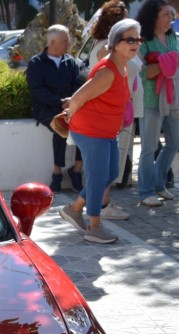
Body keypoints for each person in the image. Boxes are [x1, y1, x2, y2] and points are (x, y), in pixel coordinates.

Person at [57, 18, 143, 244]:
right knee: (97, 177)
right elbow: (77, 98)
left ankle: (74, 208)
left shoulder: (121, 64)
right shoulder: (108, 70)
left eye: (138, 39)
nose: (136, 44)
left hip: (105, 131)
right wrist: (69, 115)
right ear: (115, 43)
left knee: (111, 172)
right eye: (130, 39)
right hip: (91, 130)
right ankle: (94, 226)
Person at [135, 1, 179, 208]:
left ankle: (158, 182)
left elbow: (177, 64)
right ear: (154, 17)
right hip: (151, 99)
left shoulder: (175, 38)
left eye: (172, 14)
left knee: (176, 141)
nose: (171, 18)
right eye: (166, 14)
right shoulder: (144, 42)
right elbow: (144, 72)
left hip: (174, 97)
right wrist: (169, 62)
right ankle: (146, 191)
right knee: (149, 147)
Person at [87, 0, 133, 220]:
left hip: (111, 110)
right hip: (107, 112)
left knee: (109, 165)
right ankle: (98, 207)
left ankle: (97, 205)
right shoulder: (106, 47)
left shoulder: (105, 45)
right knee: (106, 166)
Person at [26, 25, 84, 193]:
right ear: (52, 42)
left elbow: (78, 84)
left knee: (85, 126)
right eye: (65, 40)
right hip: (46, 109)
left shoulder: (71, 62)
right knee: (60, 126)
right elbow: (37, 90)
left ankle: (77, 170)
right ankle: (57, 172)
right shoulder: (37, 63)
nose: (68, 43)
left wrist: (71, 101)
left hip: (70, 106)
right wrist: (61, 102)